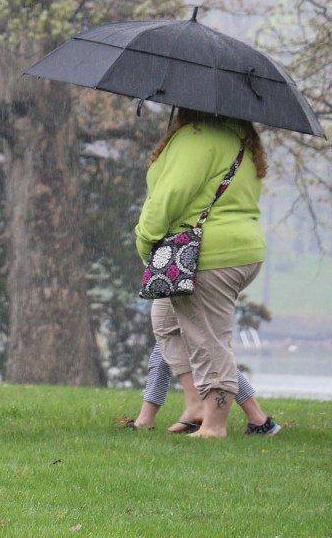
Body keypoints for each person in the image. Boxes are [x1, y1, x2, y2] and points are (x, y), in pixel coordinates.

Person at [136, 107, 279, 438]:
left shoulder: (197, 138)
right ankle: (196, 404)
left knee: (208, 338)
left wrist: (146, 244)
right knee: (166, 320)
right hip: (240, 249)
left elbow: (167, 198)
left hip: (209, 254)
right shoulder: (239, 138)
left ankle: (214, 426)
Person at [117, 341, 279, 434]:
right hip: (184, 283)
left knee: (207, 351)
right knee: (170, 344)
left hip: (190, 283)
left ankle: (258, 420)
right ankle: (259, 420)